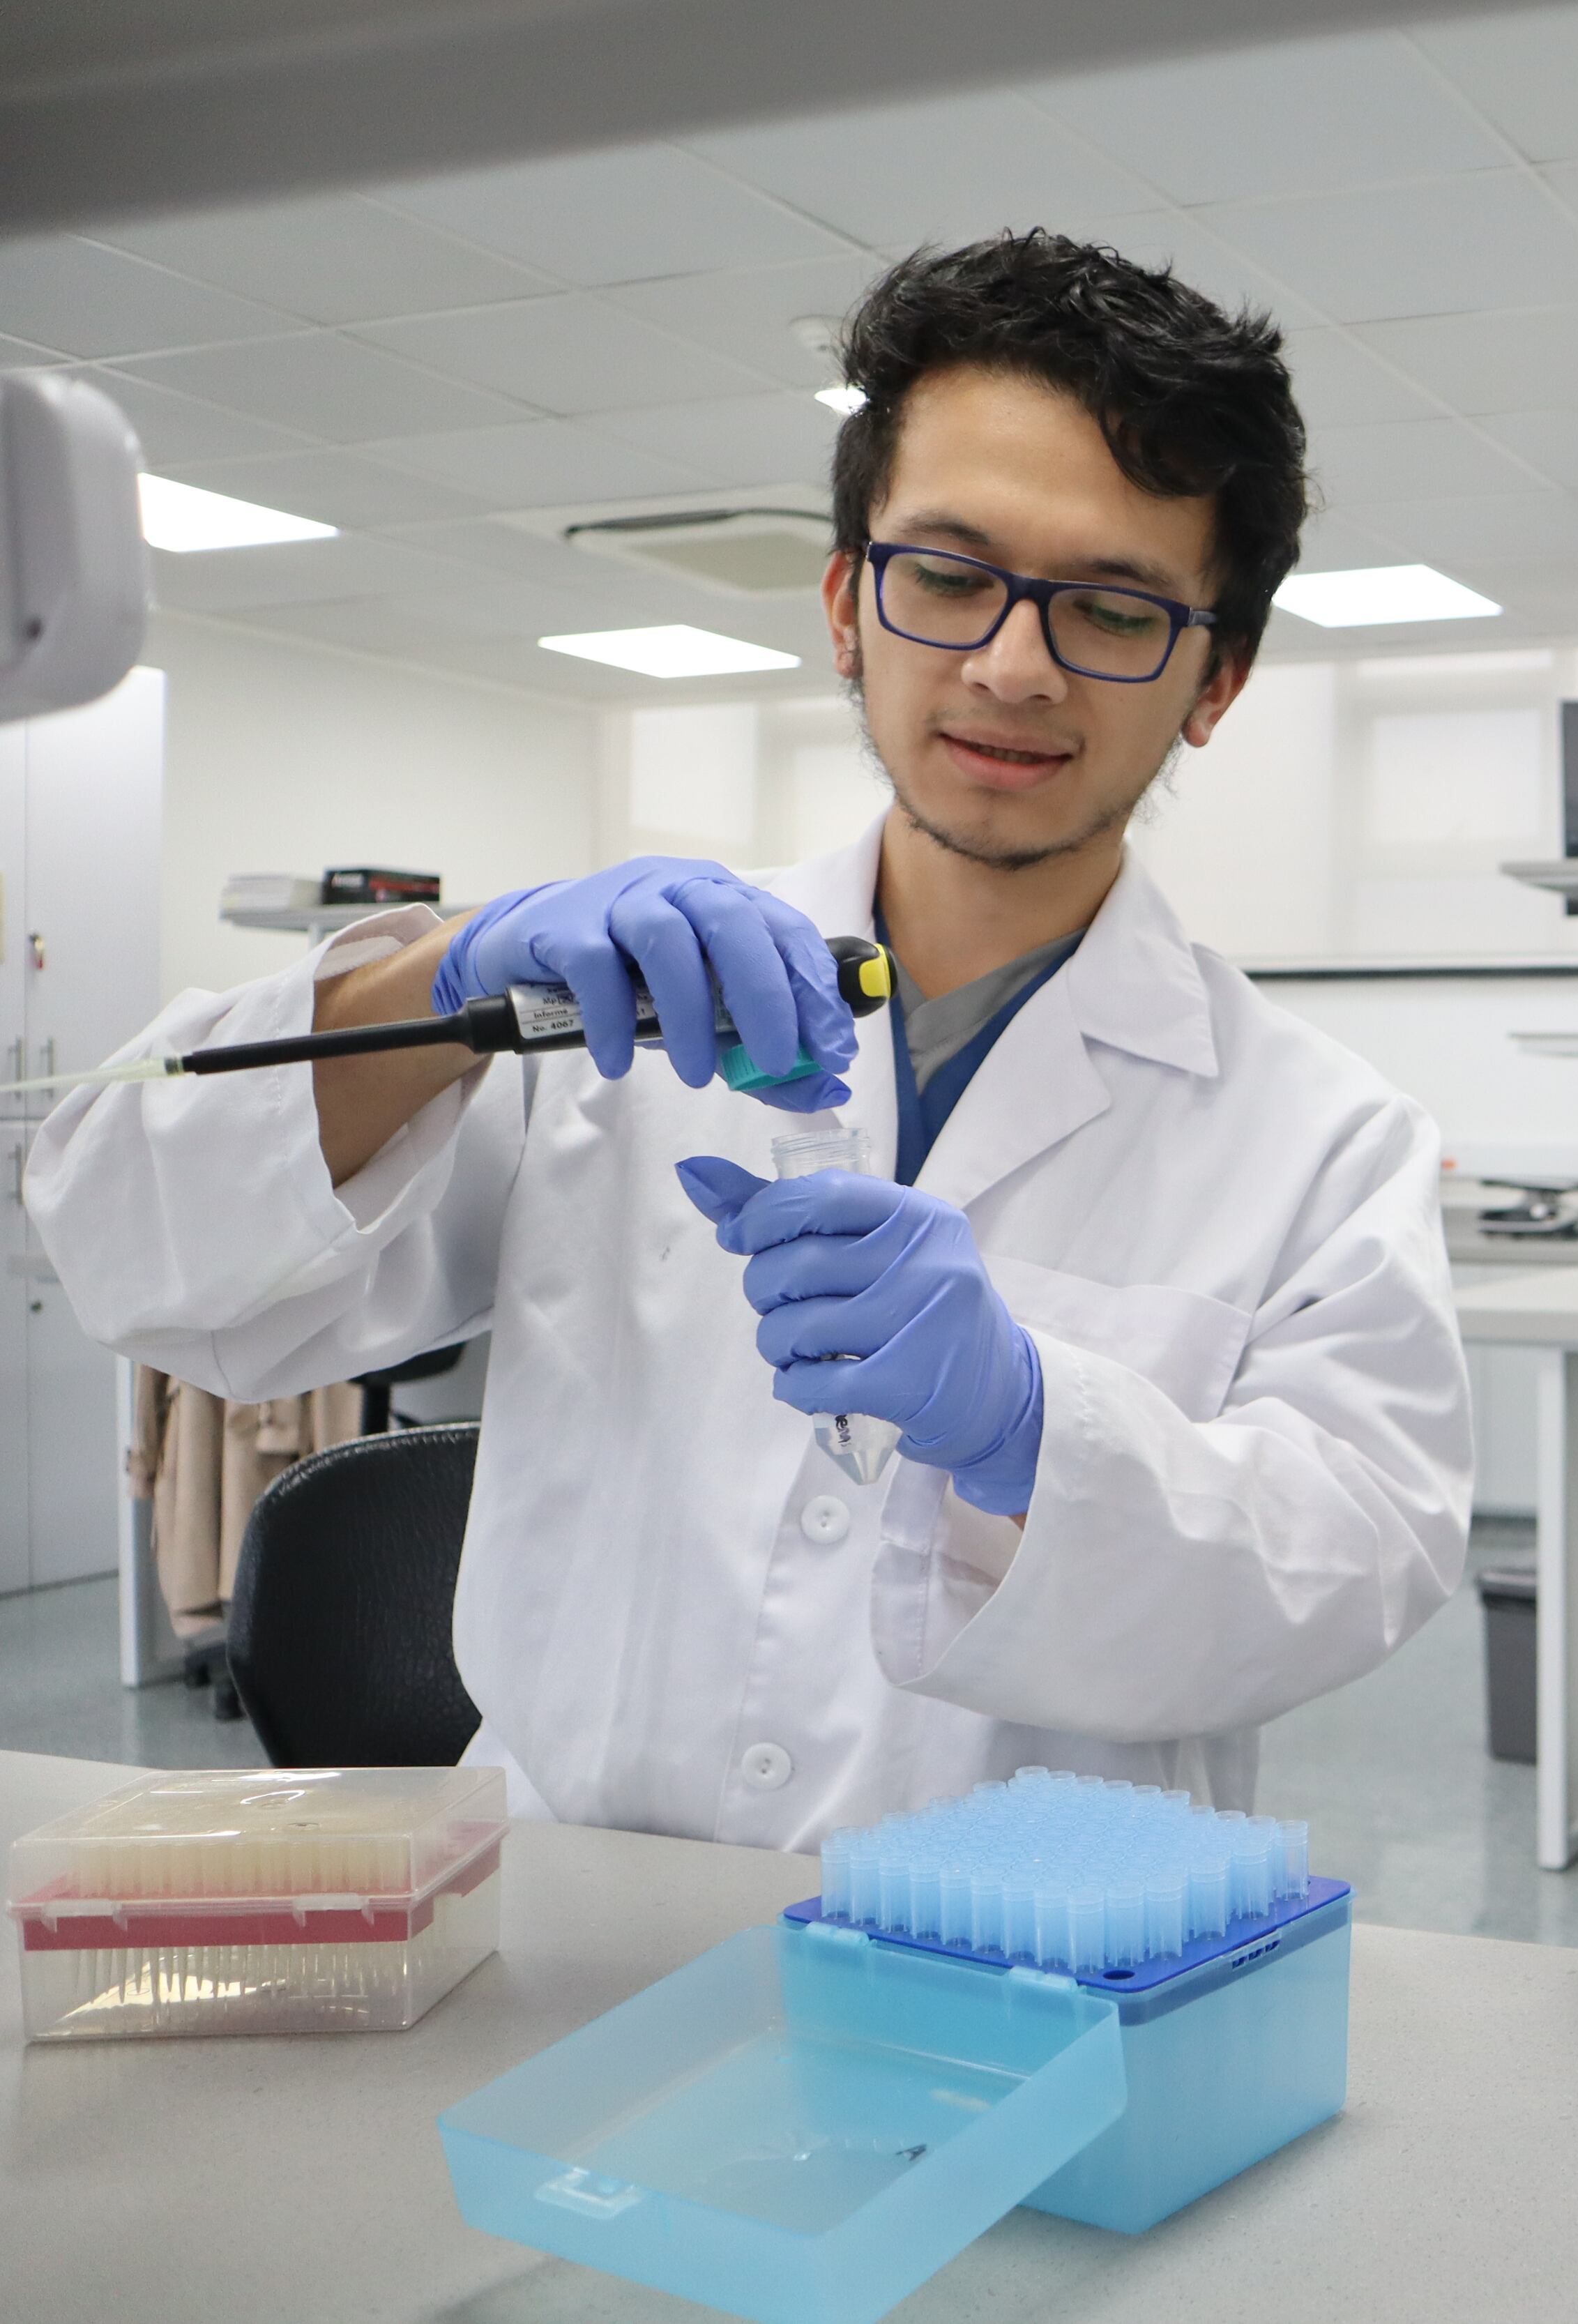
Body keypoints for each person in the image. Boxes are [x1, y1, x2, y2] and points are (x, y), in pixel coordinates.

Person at [30, 233, 1473, 1845]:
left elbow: (1354, 1561)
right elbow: (131, 1247)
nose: (1012, 666)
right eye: (949, 576)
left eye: (1114, 608)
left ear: (1216, 678)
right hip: (571, 1924)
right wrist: (441, 987)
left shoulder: (1321, 1135)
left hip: (1022, 1945)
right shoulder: (602, 1011)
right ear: (848, 605)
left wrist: (1030, 1424)